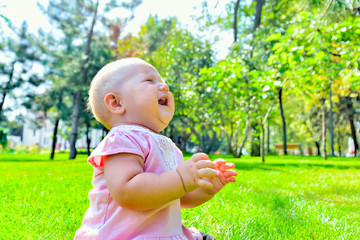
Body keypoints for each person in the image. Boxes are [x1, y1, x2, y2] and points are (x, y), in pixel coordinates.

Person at [74, 58, 237, 240]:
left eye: (162, 80)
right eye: (150, 81)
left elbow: (176, 195)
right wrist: (181, 179)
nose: (164, 86)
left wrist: (204, 189)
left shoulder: (167, 145)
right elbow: (126, 191)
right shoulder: (122, 138)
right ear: (116, 103)